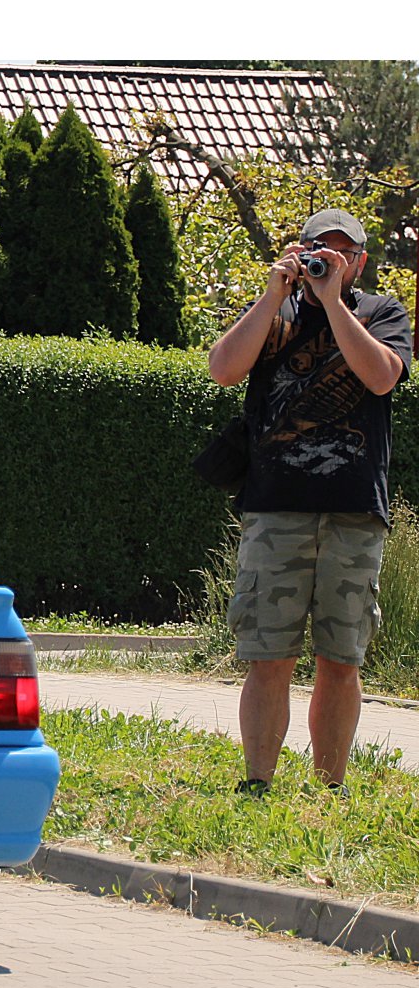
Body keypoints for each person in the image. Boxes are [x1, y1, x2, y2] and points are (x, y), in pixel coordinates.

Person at [208, 208, 413, 795]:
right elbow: (224, 370)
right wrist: (275, 293)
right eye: (317, 248)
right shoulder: (277, 312)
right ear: (297, 252)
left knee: (340, 660)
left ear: (360, 262)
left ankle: (329, 787)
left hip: (353, 510)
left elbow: (380, 377)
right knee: (268, 654)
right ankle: (258, 783)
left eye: (342, 251)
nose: (329, 258)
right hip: (276, 507)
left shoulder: (381, 313)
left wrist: (334, 304)